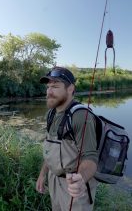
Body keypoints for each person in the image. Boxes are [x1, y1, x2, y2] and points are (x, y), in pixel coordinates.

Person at [36, 66, 98, 211]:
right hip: (54, 181)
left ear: (70, 89)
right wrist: (42, 174)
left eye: (55, 86)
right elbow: (51, 150)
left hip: (74, 187)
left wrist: (81, 179)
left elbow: (91, 157)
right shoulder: (51, 114)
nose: (49, 92)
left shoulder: (81, 116)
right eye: (48, 87)